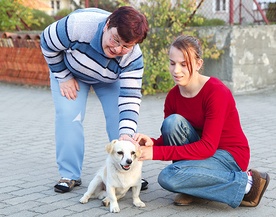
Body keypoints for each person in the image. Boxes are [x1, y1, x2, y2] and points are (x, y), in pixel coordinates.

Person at [134, 35, 270, 208]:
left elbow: (208, 146)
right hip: (202, 153)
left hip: (229, 156)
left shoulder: (216, 92)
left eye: (184, 64)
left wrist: (156, 154)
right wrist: (152, 143)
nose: (176, 70)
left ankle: (249, 184)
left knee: (168, 177)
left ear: (198, 64)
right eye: (172, 63)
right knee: (171, 123)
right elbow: (171, 137)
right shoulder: (173, 97)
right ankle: (191, 186)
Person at [40, 6, 149, 193]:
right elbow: (47, 42)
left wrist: (126, 134)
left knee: (121, 122)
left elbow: (130, 99)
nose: (117, 49)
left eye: (126, 46)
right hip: (71, 74)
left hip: (108, 79)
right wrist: (63, 76)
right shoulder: (77, 26)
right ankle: (69, 175)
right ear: (107, 25)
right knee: (69, 117)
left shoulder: (133, 58)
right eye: (115, 40)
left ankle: (128, 174)